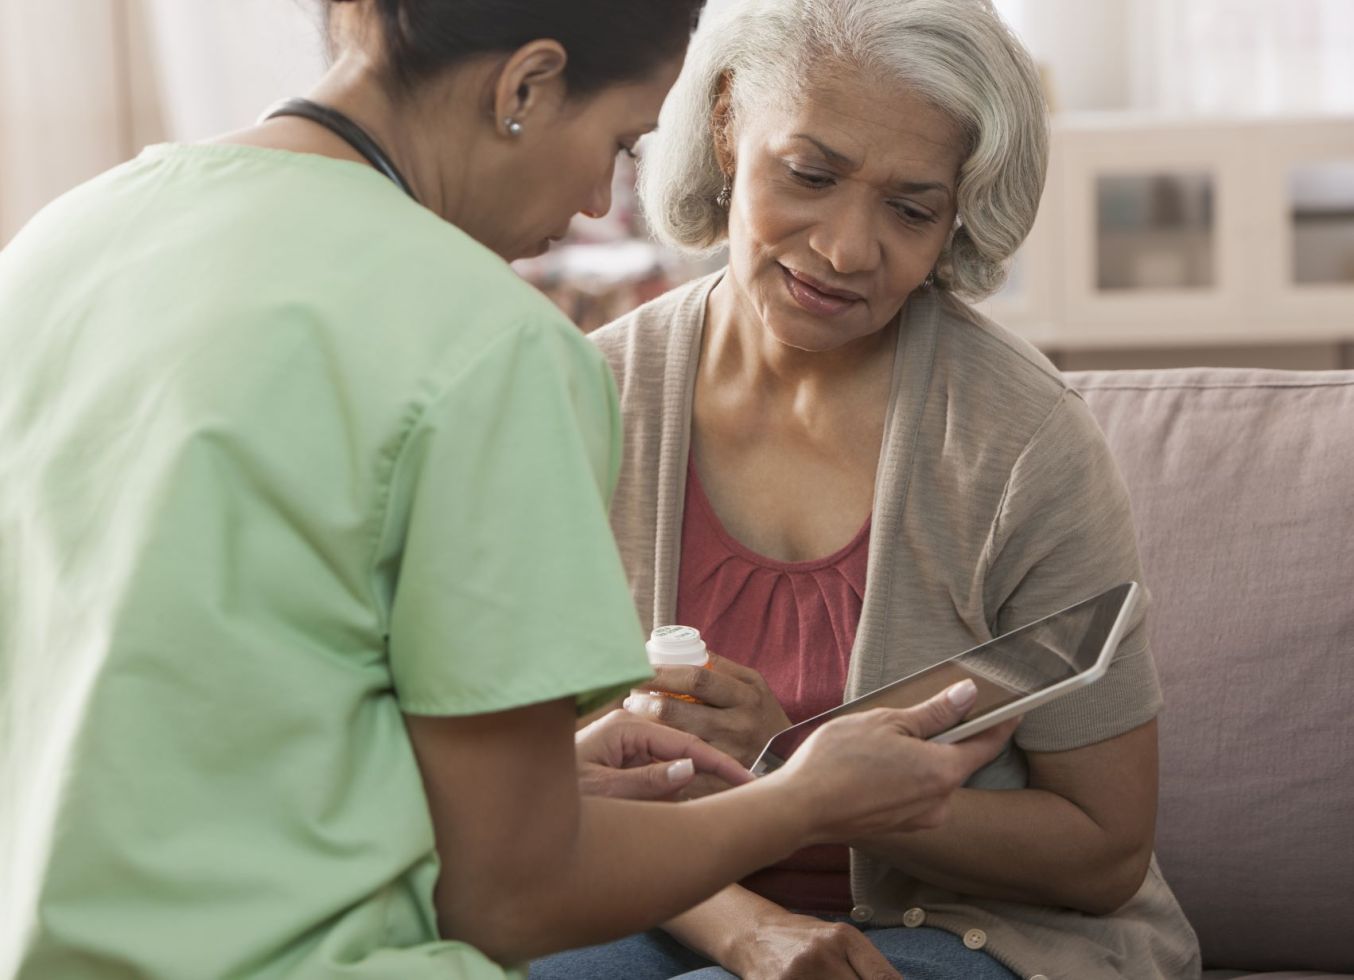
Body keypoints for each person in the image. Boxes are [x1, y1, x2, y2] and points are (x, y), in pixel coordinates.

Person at [0, 2, 1020, 978]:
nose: (596, 201)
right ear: (525, 85)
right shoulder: (493, 345)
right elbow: (515, 895)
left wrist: (523, 779)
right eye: (619, 142)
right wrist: (802, 800)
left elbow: (184, 724)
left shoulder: (60, 241)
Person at [530, 1, 1204, 979]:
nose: (847, 249)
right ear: (725, 126)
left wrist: (804, 773)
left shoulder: (1022, 442)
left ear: (959, 212)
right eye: (810, 175)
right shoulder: (587, 398)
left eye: (911, 209)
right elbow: (533, 791)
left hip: (977, 927)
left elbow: (1103, 853)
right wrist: (743, 928)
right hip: (672, 901)